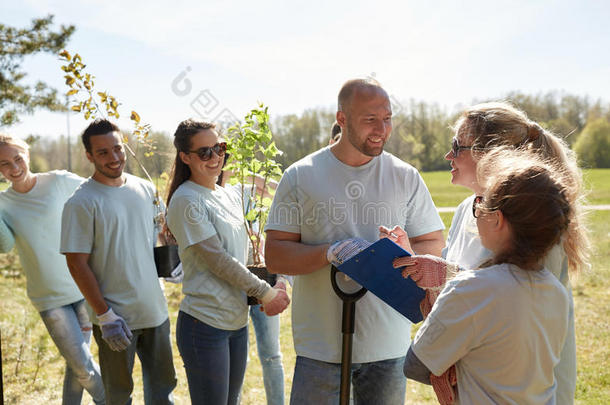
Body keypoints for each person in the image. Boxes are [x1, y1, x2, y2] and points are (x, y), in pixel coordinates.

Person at [386, 102, 589, 404]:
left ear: (491, 152)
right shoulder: (464, 212)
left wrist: (446, 275)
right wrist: (419, 265)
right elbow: (461, 296)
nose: (448, 156)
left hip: (525, 387)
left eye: (457, 147)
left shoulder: (532, 223)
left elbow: (518, 297)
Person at [264, 78, 445, 404]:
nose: (381, 129)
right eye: (370, 120)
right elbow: (275, 254)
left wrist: (410, 254)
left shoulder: (405, 176)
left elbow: (432, 241)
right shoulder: (300, 175)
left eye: (387, 118)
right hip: (320, 348)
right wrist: (329, 252)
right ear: (342, 119)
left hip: (387, 346)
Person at [165, 119, 290, 404]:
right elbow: (218, 260)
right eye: (204, 152)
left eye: (219, 148)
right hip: (205, 325)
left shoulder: (227, 195)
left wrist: (276, 279)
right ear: (185, 157)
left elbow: (243, 253)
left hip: (236, 322)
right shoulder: (186, 200)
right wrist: (265, 292)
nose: (216, 157)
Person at [60, 119, 177, 404]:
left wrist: (172, 262)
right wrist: (104, 315)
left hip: (154, 311)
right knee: (119, 395)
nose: (114, 157)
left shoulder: (145, 189)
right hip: (116, 318)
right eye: (102, 152)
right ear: (89, 156)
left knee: (164, 390)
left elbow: (158, 234)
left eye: (118, 148)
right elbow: (76, 264)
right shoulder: (81, 203)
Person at [0, 135, 105, 405]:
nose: (14, 167)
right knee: (82, 365)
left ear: (27, 155)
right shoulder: (3, 203)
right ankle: (115, 400)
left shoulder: (58, 181)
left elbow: (98, 192)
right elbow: (6, 245)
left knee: (77, 365)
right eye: (4, 164)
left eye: (17, 158)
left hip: (84, 286)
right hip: (49, 297)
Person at [217, 162, 286, 405]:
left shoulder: (244, 192)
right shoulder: (214, 199)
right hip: (234, 282)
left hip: (262, 276)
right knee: (237, 356)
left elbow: (276, 188)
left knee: (271, 355)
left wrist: (249, 172)